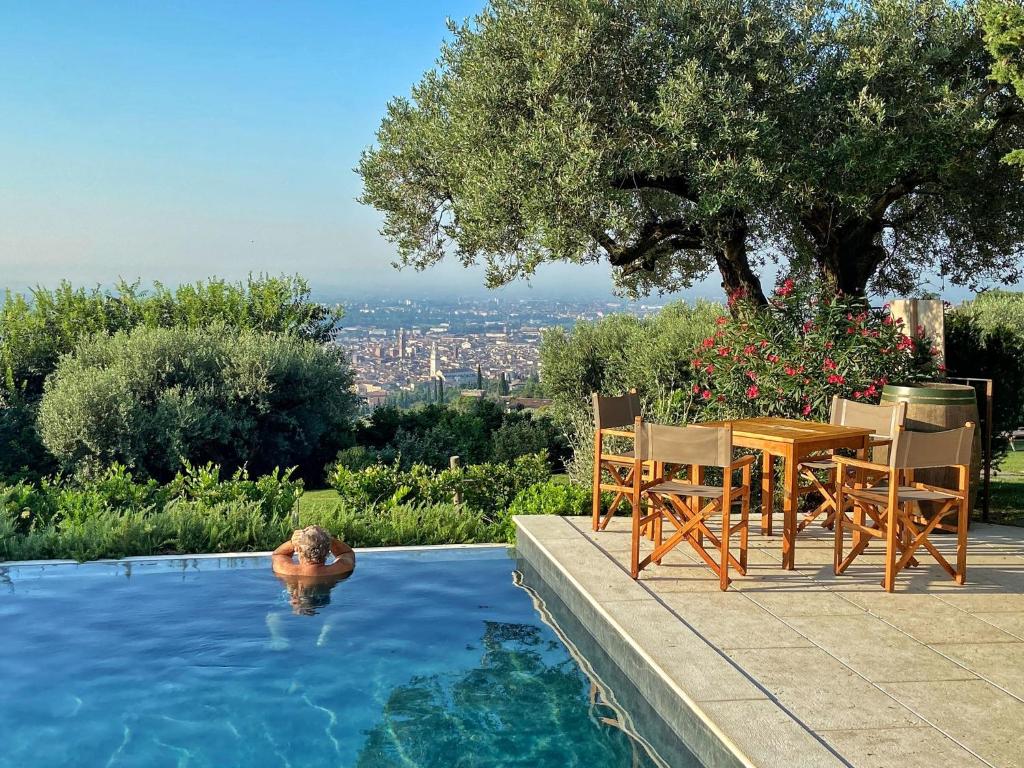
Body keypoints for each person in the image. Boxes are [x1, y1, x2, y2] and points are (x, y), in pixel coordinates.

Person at [271, 525, 355, 578]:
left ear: (298, 549)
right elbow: (346, 553)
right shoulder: (338, 570)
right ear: (328, 550)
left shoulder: (286, 570)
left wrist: (292, 542)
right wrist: (326, 539)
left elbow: (278, 554)